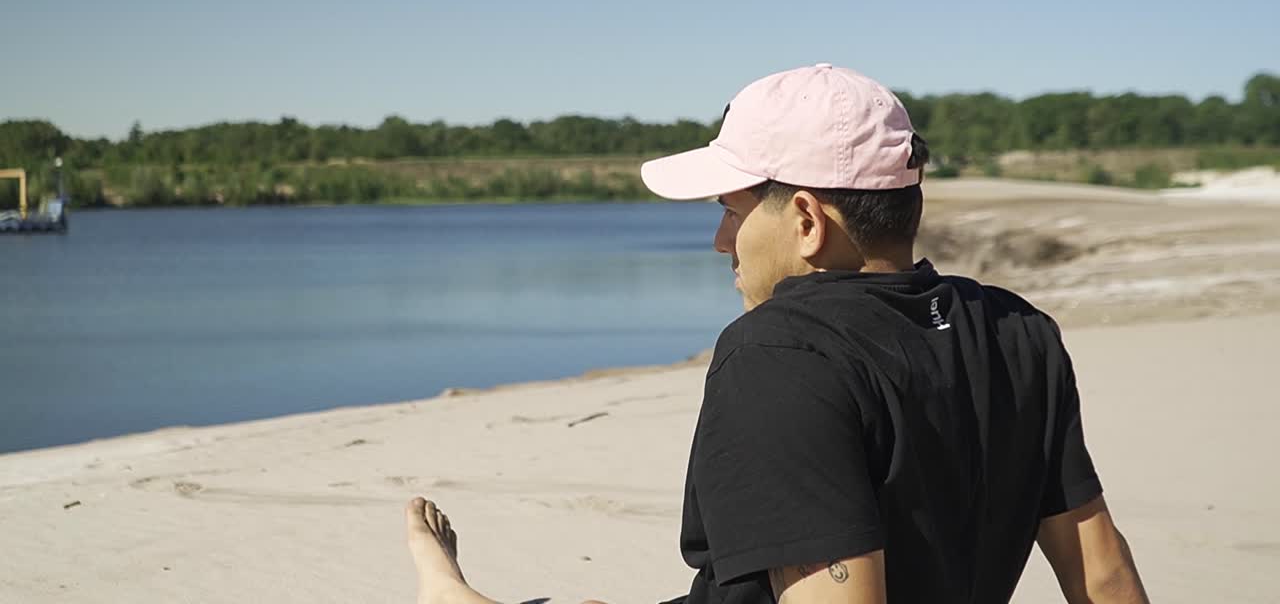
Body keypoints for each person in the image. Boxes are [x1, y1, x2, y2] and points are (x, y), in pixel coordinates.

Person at [404, 64, 1150, 604]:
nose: (721, 241)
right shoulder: (1018, 330)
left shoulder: (782, 355)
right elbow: (1103, 576)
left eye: (730, 209)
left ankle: (445, 593)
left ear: (804, 220)